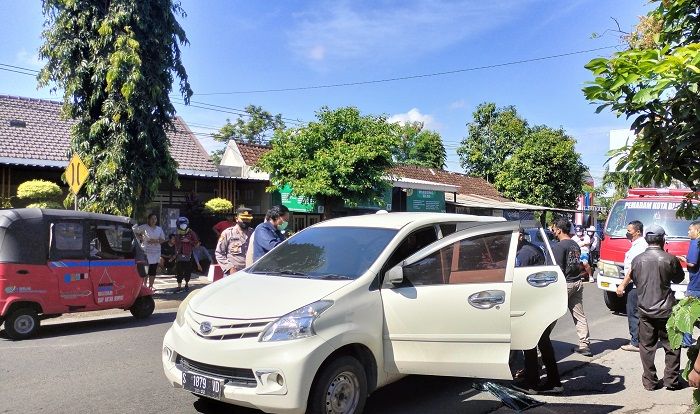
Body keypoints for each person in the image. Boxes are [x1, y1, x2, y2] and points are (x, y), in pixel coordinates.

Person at [624, 225, 685, 391]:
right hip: (667, 310)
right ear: (663, 239)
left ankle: (650, 382)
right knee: (672, 346)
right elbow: (679, 279)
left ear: (646, 239)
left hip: (645, 309)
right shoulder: (670, 259)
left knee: (646, 347)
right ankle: (671, 381)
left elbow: (635, 280)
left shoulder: (637, 260)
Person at [512, 229, 563, 395]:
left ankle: (532, 384)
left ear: (519, 236)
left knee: (530, 343)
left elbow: (517, 279)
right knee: (543, 343)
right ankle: (553, 381)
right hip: (540, 303)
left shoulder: (524, 254)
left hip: (532, 305)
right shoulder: (531, 249)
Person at [551, 218, 592, 357]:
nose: (553, 231)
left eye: (554, 228)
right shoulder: (575, 244)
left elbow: (558, 270)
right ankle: (585, 345)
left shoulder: (559, 246)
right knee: (579, 315)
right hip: (577, 283)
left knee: (549, 316)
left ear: (559, 230)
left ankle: (540, 347)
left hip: (566, 284)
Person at [615, 220, 648, 352]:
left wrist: (622, 285)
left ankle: (635, 343)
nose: (627, 233)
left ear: (638, 232)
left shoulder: (640, 246)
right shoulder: (637, 244)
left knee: (633, 313)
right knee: (638, 313)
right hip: (638, 284)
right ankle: (640, 340)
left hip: (635, 285)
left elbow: (633, 269)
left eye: (629, 231)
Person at [678, 221, 700, 347]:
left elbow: (692, 263)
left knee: (688, 314)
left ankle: (686, 341)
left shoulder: (695, 242)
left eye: (690, 230)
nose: (688, 232)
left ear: (697, 231)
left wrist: (682, 259)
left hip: (695, 286)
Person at [215, 207, 255, 276]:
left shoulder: (253, 233)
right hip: (232, 272)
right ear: (237, 219)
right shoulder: (228, 233)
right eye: (243, 219)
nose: (245, 221)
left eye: (248, 219)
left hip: (249, 271)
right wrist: (229, 268)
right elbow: (219, 253)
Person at [133, 213, 166, 289]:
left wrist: (156, 241)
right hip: (146, 251)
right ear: (148, 219)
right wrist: (140, 238)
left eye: (155, 219)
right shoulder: (144, 227)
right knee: (145, 269)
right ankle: (144, 286)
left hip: (156, 252)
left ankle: (151, 286)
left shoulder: (159, 229)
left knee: (153, 270)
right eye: (152, 219)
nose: (153, 220)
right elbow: (134, 231)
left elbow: (163, 239)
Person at [174, 217, 199, 292]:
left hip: (188, 254)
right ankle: (179, 286)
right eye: (181, 224)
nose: (183, 225)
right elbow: (175, 242)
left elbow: (196, 242)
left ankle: (187, 284)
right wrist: (178, 238)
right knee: (179, 270)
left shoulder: (191, 232)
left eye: (184, 224)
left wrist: (188, 241)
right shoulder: (177, 232)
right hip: (179, 254)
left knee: (187, 270)